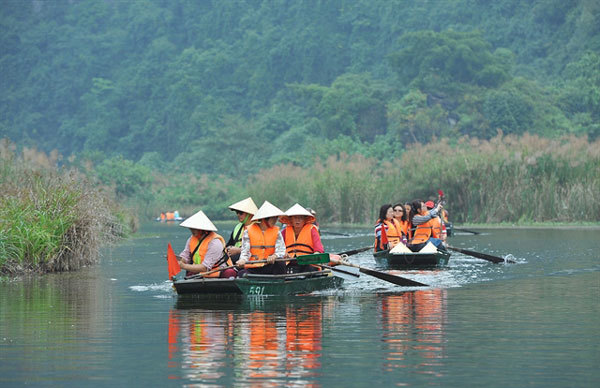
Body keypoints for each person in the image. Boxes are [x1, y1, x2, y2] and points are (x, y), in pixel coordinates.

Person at [177, 210, 237, 278]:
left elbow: (205, 267)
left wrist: (184, 266)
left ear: (202, 229)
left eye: (194, 228)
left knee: (229, 273)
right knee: (190, 273)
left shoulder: (215, 242)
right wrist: (178, 260)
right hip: (201, 272)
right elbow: (185, 257)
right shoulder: (191, 239)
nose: (191, 230)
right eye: (191, 228)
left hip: (219, 272)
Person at [236, 201, 287, 276]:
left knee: (280, 262)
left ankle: (278, 282)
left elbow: (281, 250)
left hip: (269, 266)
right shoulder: (248, 231)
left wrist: (274, 256)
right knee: (241, 274)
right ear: (265, 219)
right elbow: (245, 252)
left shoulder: (277, 232)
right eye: (274, 218)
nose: (276, 220)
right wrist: (242, 260)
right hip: (254, 267)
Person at [279, 203, 324, 273]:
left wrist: (316, 254)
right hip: (289, 262)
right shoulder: (285, 231)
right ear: (291, 219)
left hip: (307, 262)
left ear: (305, 220)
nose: (298, 220)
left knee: (309, 267)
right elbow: (278, 248)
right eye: (295, 218)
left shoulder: (312, 230)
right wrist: (283, 253)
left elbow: (319, 249)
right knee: (278, 266)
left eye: (300, 218)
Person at [225, 197, 258, 264]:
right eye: (237, 212)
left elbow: (260, 249)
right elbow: (229, 244)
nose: (238, 215)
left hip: (252, 260)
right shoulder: (238, 227)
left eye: (240, 213)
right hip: (236, 261)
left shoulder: (259, 228)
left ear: (250, 214)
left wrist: (239, 250)